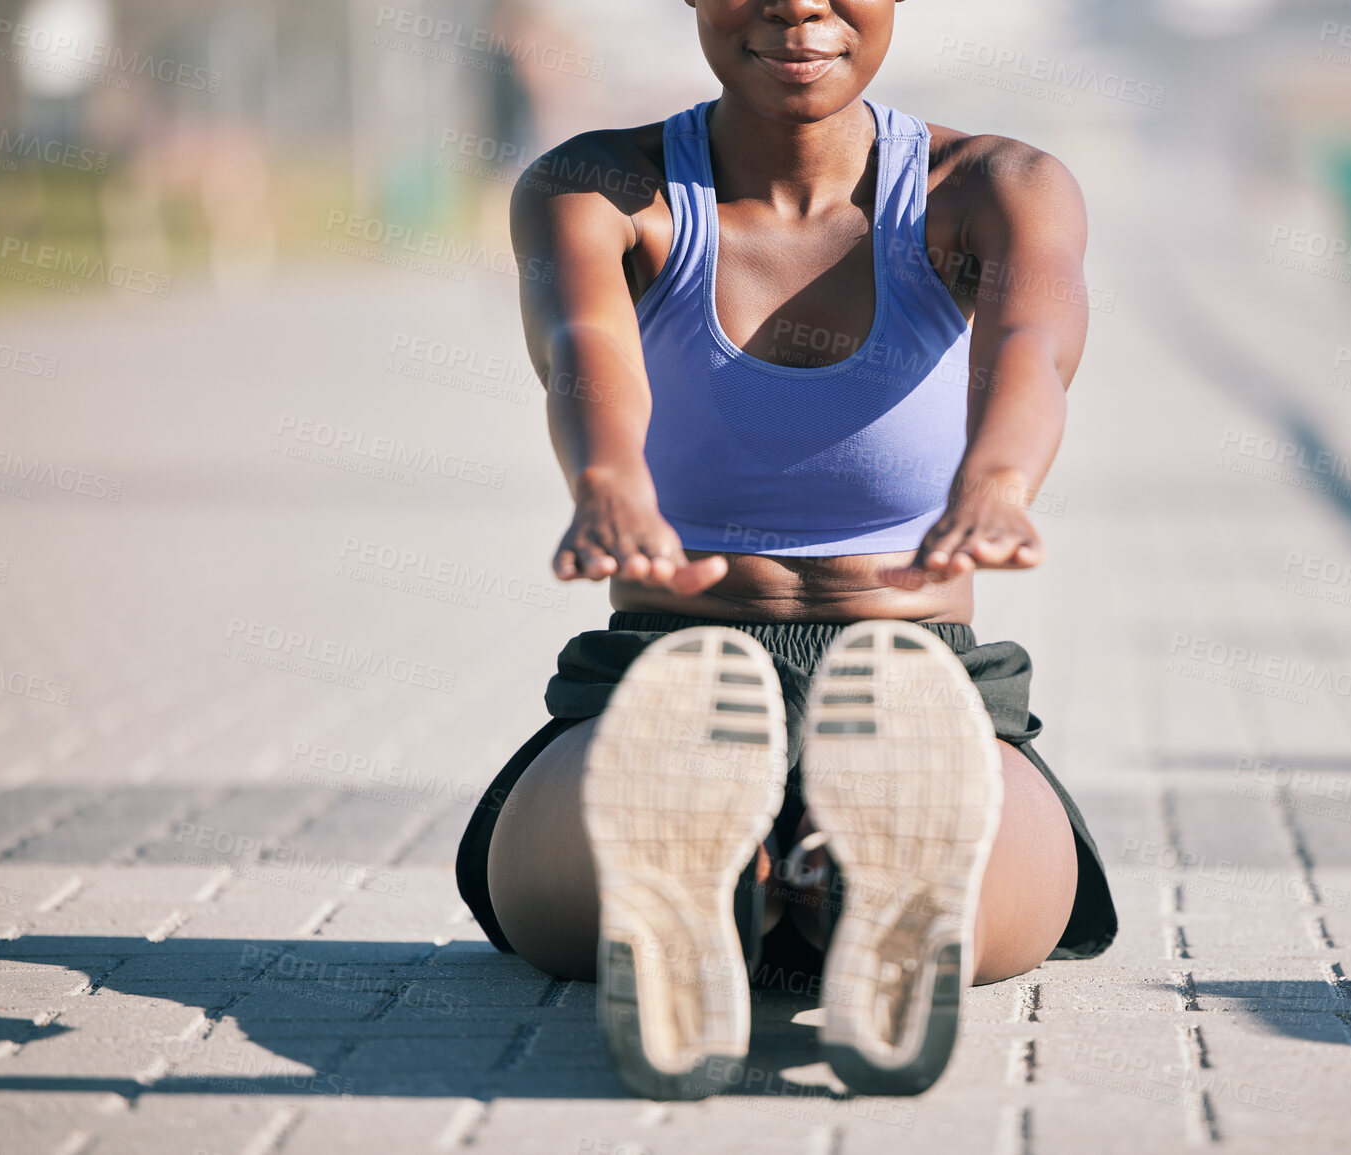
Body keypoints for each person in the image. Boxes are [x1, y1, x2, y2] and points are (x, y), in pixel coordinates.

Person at [454, 0, 1116, 1101]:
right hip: (665, 687)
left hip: (919, 695)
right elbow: (583, 349)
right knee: (639, 809)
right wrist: (610, 480)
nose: (796, 2)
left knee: (954, 842)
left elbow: (1035, 346)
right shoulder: (598, 187)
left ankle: (822, 888)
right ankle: (765, 885)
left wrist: (997, 483)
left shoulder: (998, 186)